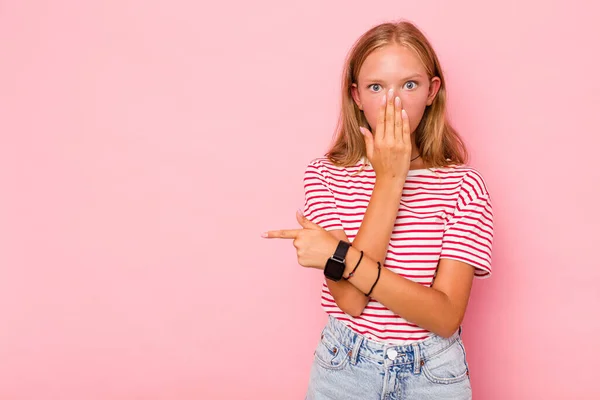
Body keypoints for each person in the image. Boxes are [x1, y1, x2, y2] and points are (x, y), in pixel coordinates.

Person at [262, 20, 493, 400]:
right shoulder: (324, 176)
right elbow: (351, 301)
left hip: (434, 376)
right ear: (356, 96)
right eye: (376, 87)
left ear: (432, 91)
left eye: (409, 84)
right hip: (343, 371)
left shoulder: (464, 186)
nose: (392, 101)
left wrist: (340, 255)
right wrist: (390, 178)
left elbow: (445, 317)